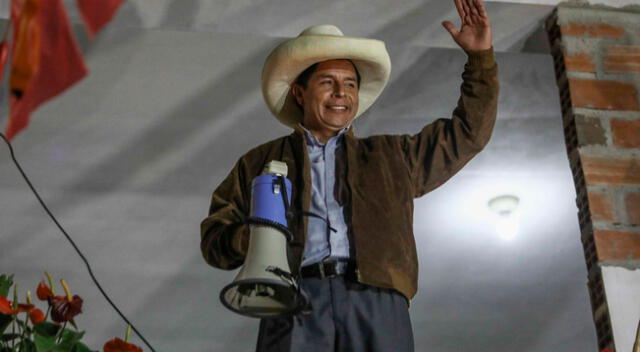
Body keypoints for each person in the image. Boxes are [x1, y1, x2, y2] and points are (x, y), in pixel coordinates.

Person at [201, 0, 498, 350]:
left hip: (378, 299)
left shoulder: (393, 156)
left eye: (351, 84)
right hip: (293, 296)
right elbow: (214, 241)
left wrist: (480, 61)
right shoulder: (259, 162)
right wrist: (258, 237)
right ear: (299, 91)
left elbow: (468, 133)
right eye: (328, 82)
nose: (342, 93)